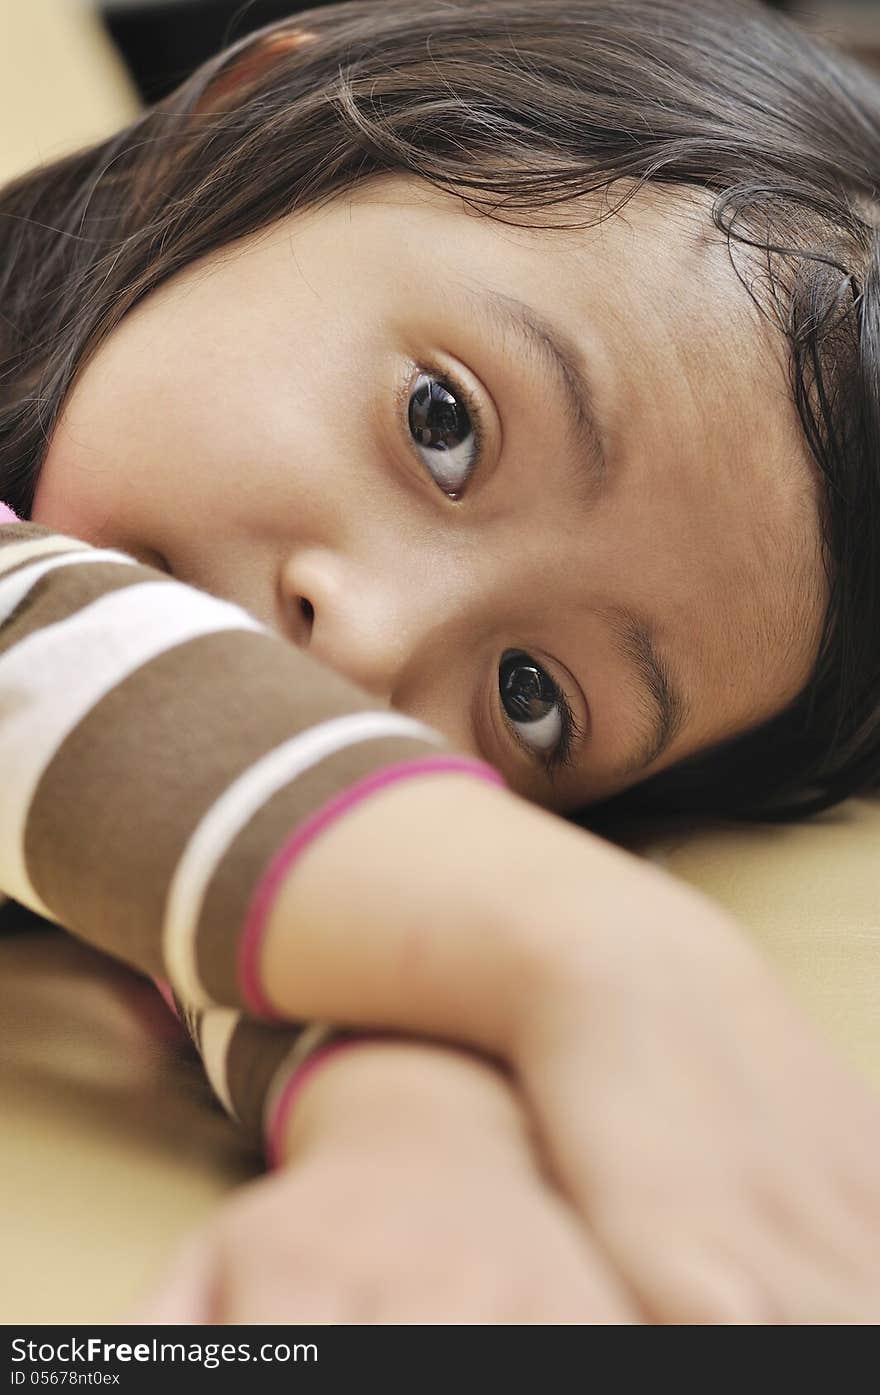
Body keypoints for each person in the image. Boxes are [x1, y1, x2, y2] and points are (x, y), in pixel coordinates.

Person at [1, 0, 878, 1322]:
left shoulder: (171, 794)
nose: (376, 641)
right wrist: (589, 946)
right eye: (442, 424)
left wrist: (421, 1135)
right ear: (252, 127)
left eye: (532, 697)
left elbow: (199, 862)